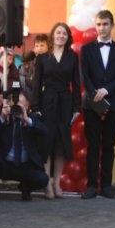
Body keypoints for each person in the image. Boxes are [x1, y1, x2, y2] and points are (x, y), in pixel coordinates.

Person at [80, 10, 115, 199]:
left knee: (109, 145)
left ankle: (106, 186)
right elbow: (85, 75)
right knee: (93, 144)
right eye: (99, 24)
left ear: (112, 26)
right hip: (92, 103)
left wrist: (106, 90)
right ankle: (92, 186)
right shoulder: (86, 49)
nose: (102, 28)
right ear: (96, 26)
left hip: (113, 103)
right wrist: (95, 93)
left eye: (106, 24)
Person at [32, 22, 82, 199]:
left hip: (65, 103)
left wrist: (77, 107)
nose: (61, 36)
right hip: (47, 102)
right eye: (58, 33)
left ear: (68, 38)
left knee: (61, 144)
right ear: (52, 36)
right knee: (47, 143)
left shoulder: (72, 57)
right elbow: (37, 83)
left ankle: (57, 183)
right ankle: (47, 183)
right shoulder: (42, 58)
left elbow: (76, 83)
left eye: (64, 33)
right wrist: (35, 106)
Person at [0, 93, 49, 202]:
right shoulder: (4, 119)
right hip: (6, 165)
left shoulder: (32, 117)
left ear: (27, 106)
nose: (16, 107)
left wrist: (26, 120)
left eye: (20, 104)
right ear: (9, 105)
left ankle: (25, 188)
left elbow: (45, 131)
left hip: (25, 166)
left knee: (43, 179)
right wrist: (2, 118)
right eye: (14, 104)